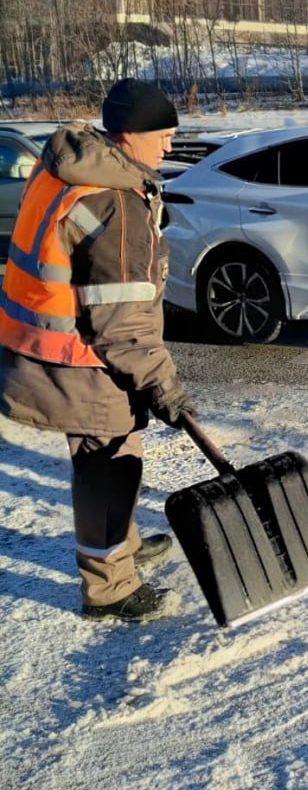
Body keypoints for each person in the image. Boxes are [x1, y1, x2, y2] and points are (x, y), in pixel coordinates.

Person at [0, 79, 196, 622]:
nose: (170, 145)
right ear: (129, 135)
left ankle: (122, 546)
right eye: (163, 134)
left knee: (112, 457)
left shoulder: (70, 171)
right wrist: (166, 389)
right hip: (83, 361)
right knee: (107, 472)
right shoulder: (114, 205)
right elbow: (123, 327)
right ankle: (109, 587)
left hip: (50, 346)